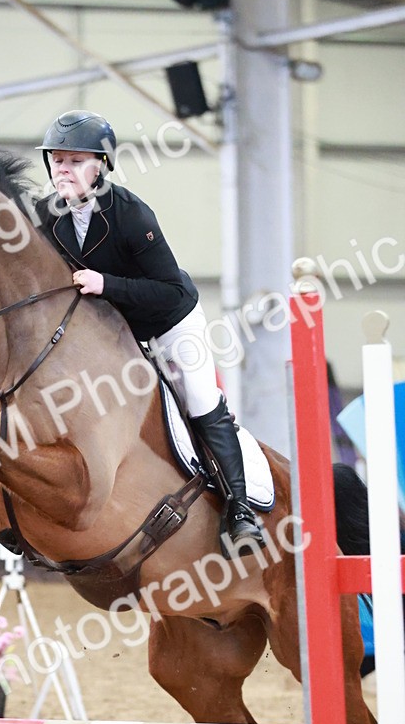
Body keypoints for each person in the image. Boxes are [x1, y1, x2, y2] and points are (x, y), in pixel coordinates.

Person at [34, 109, 265, 557]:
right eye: (57, 160)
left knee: (199, 400)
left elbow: (169, 289)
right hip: (114, 335)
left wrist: (107, 283)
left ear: (101, 165)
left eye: (75, 160)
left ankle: (239, 510)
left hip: (170, 324)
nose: (63, 169)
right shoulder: (47, 216)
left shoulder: (132, 214)